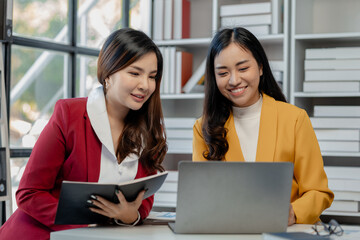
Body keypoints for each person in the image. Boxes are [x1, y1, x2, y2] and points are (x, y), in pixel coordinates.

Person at [0, 28, 167, 240]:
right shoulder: (69, 115)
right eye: (135, 73)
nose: (145, 85)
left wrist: (130, 215)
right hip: (41, 235)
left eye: (152, 76)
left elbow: (143, 200)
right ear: (108, 74)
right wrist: (87, 224)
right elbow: (29, 194)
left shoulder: (150, 129)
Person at [192, 27, 334, 225]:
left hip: (285, 232)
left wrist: (293, 213)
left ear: (260, 67)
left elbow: (319, 192)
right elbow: (201, 198)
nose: (234, 80)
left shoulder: (294, 119)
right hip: (229, 231)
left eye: (243, 69)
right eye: (223, 73)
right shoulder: (203, 128)